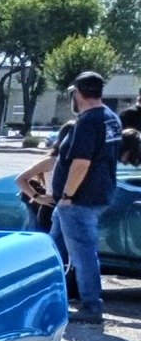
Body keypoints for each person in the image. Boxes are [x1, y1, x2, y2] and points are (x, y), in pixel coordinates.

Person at [42, 72, 123, 326]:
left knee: (83, 254)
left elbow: (81, 164)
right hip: (94, 197)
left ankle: (91, 306)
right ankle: (49, 296)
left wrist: (66, 196)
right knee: (52, 248)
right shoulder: (111, 118)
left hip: (78, 202)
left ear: (78, 93)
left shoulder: (88, 121)